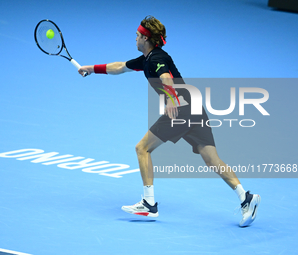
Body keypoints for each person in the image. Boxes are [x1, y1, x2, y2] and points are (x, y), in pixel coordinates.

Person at [78, 16, 260, 227]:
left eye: (137, 36)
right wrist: (90, 68)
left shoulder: (156, 58)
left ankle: (148, 203)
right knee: (211, 159)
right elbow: (119, 66)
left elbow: (166, 77)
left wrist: (171, 99)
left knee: (142, 148)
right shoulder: (147, 58)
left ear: (146, 39)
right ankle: (246, 198)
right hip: (195, 108)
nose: (134, 39)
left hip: (181, 110)